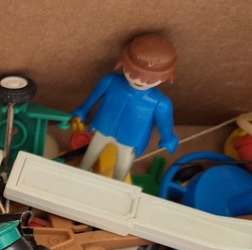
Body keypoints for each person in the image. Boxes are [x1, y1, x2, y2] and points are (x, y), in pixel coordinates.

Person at [72, 34, 179, 181]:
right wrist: (83, 111)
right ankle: (82, 172)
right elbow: (93, 98)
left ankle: (118, 185)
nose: (139, 81)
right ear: (124, 63)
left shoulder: (161, 103)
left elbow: (164, 124)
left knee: (122, 165)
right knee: (91, 152)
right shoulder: (110, 81)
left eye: (149, 80)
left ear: (166, 77)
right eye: (133, 73)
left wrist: (168, 139)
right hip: (104, 127)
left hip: (131, 138)